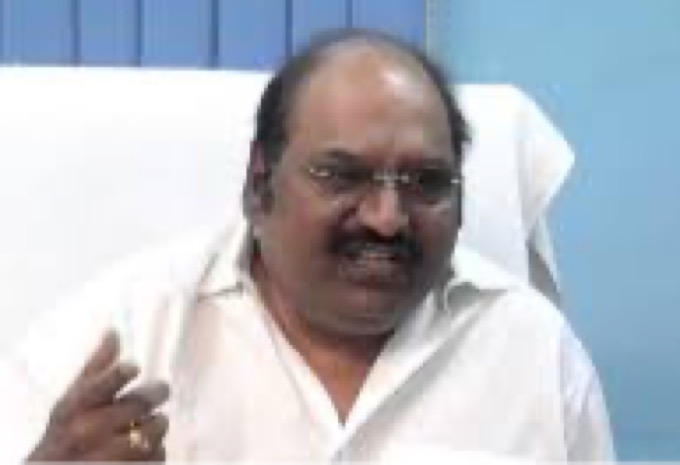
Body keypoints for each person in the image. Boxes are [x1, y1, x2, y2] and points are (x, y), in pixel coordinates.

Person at [11, 29, 613, 462]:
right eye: (342, 175)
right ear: (260, 184)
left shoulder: (535, 355)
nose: (387, 219)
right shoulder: (118, 340)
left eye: (425, 181)